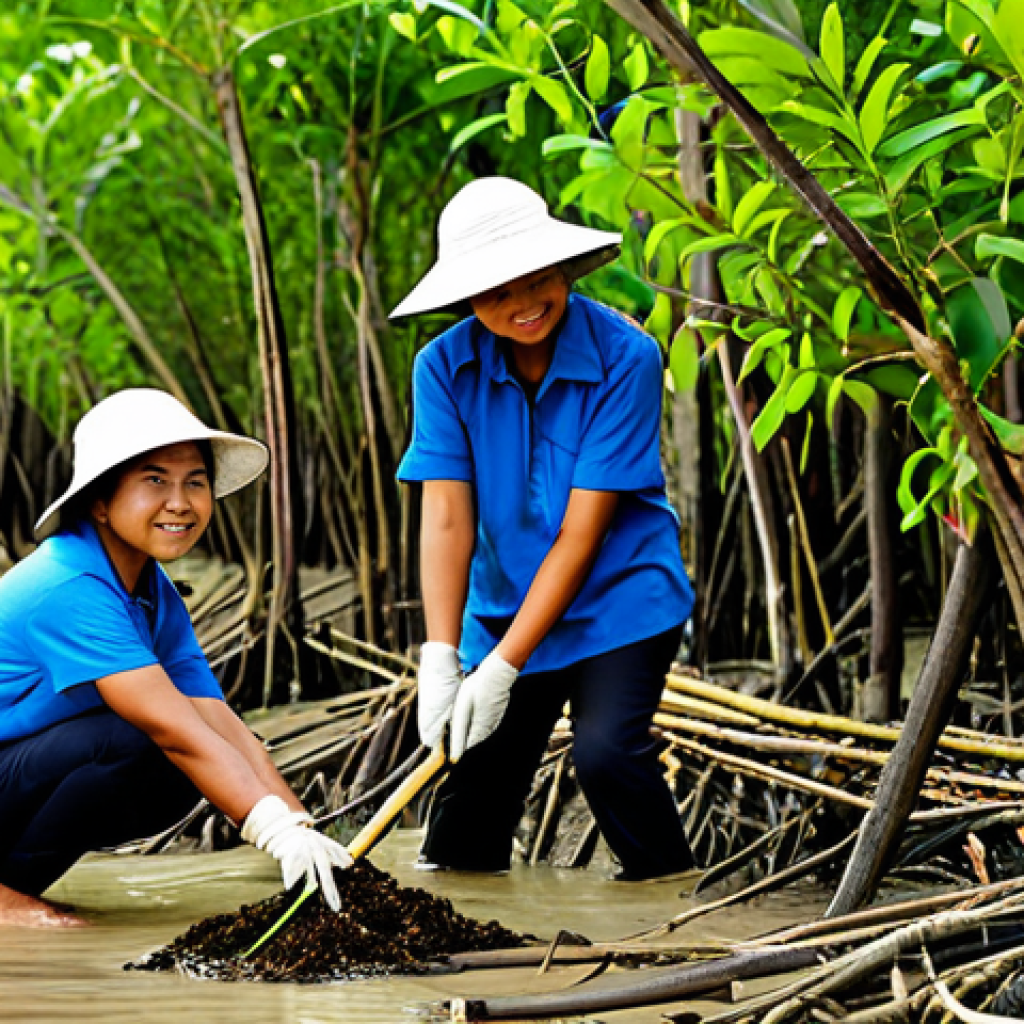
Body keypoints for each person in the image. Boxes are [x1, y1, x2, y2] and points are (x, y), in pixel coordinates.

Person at [392, 177, 697, 881]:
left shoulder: (628, 356)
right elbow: (445, 516)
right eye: (498, 292)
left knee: (606, 756)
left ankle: (677, 912)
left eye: (537, 281)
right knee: (471, 788)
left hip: (622, 599)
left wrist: (503, 668)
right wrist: (442, 655)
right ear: (466, 298)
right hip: (500, 606)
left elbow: (582, 534)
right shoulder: (440, 369)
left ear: (562, 269)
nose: (524, 305)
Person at [0, 389, 352, 927]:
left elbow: (217, 721)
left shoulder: (150, 588)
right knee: (141, 741)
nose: (180, 503)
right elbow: (172, 728)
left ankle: (13, 886)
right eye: (155, 480)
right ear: (99, 501)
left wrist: (301, 831)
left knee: (179, 770)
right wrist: (270, 830)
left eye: (195, 482)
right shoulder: (67, 584)